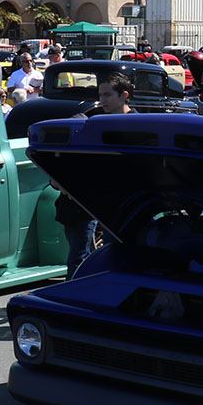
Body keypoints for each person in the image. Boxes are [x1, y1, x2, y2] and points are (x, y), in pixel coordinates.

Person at [55, 73, 134, 278]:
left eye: (108, 95)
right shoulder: (93, 121)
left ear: (124, 95)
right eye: (100, 94)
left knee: (116, 256)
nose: (102, 100)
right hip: (88, 202)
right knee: (78, 257)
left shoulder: (138, 125)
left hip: (122, 205)